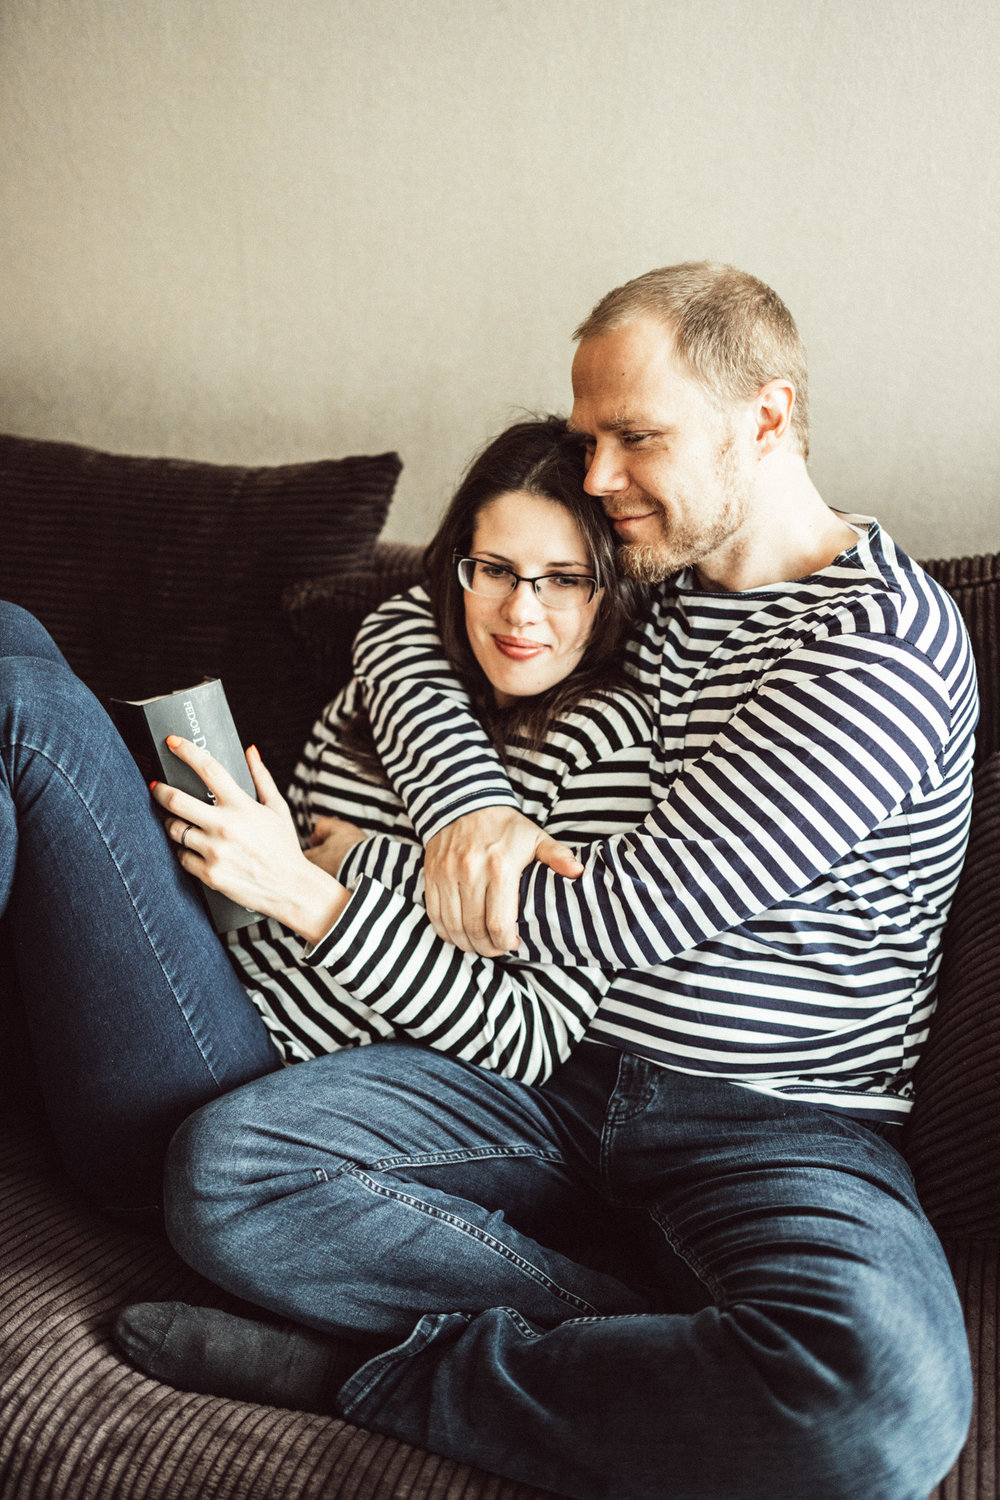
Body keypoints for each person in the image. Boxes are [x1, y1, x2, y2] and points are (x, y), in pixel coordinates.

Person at [118, 265, 977, 1500]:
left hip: (776, 1127)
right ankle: (631, 1329)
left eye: (637, 438)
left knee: (875, 1409)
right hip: (540, 1081)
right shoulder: (651, 579)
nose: (598, 478)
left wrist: (362, 862)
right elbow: (411, 621)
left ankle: (366, 1376)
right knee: (224, 1173)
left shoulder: (875, 643)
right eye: (588, 440)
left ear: (767, 420)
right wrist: (472, 802)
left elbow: (627, 909)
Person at [0, 416, 646, 1218]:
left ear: (608, 586)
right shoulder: (405, 673)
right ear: (458, 567)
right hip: (189, 978)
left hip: (250, 1085)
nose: (522, 612)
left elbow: (529, 1039)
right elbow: (271, 878)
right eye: (497, 569)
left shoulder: (608, 744)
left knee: (33, 709)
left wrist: (325, 883)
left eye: (563, 578)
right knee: (10, 631)